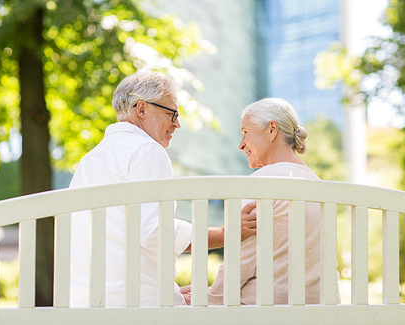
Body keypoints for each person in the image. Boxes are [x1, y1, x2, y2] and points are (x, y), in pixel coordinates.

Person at [69, 71, 256, 307]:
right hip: (138, 306)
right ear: (142, 109)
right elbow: (156, 231)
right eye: (172, 113)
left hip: (84, 303)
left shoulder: (90, 159)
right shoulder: (146, 150)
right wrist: (226, 233)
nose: (177, 124)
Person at [203, 98, 340, 305]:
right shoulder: (317, 184)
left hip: (267, 309)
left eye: (245, 133)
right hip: (321, 308)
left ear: (272, 130)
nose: (241, 145)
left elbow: (242, 261)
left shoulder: (262, 183)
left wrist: (210, 297)